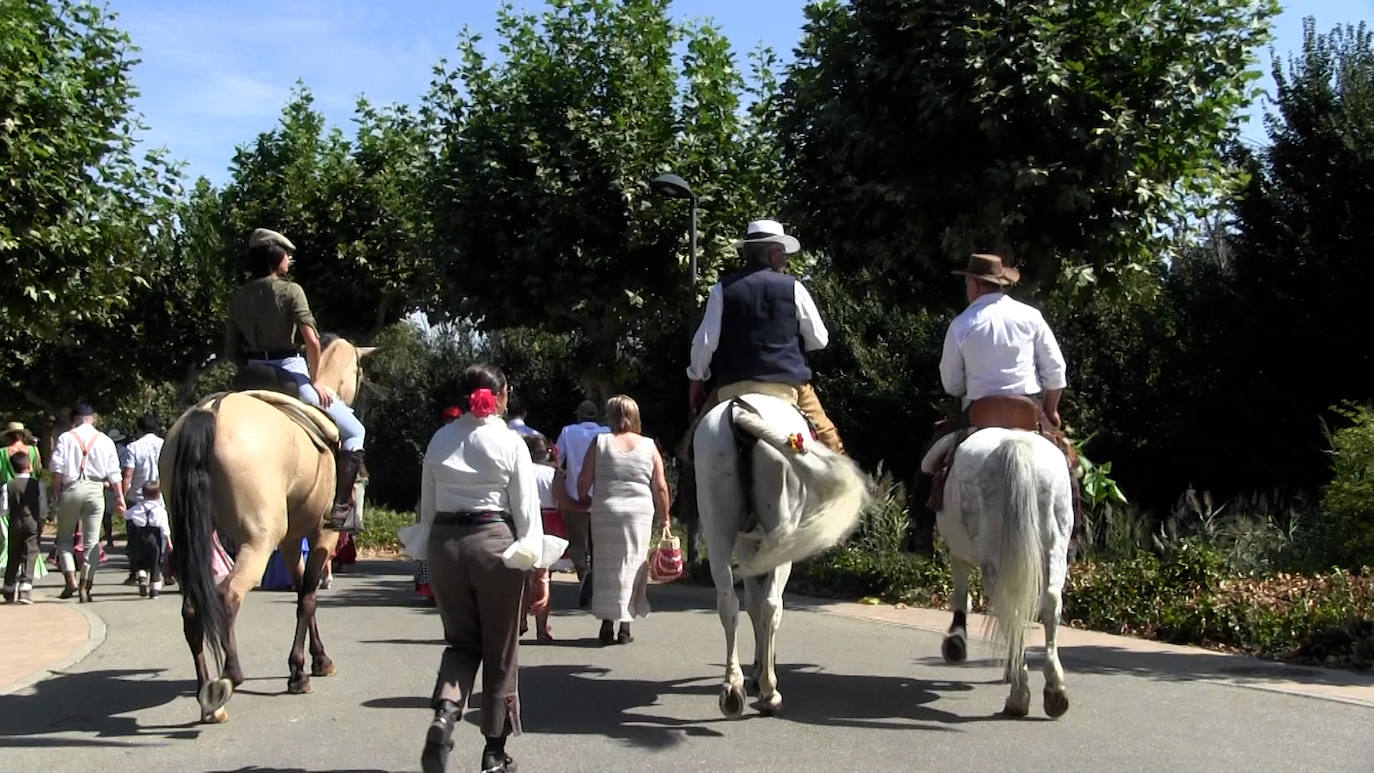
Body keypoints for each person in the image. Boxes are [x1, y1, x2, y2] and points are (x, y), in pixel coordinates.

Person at [418, 364, 553, 773]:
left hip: (445, 544)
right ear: (502, 395)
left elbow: (427, 509)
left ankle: (445, 713)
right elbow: (527, 515)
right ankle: (494, 752)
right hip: (493, 542)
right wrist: (537, 566)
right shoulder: (511, 442)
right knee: (501, 650)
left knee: (461, 643)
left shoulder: (440, 439)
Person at [912, 253, 1069, 549]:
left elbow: (952, 384)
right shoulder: (1031, 317)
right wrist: (1051, 410)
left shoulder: (961, 324)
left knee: (928, 464)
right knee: (1070, 467)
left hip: (978, 414)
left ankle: (921, 533)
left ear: (973, 284)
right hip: (1027, 411)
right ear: (1000, 283)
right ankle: (1073, 538)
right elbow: (1056, 372)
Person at [223, 227, 365, 529]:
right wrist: (315, 380)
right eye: (286, 254)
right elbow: (312, 340)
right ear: (276, 258)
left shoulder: (238, 297)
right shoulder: (290, 290)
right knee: (354, 431)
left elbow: (231, 352)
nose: (289, 259)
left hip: (248, 376)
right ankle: (341, 508)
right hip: (288, 371)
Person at [686, 218, 844, 453]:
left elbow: (705, 342)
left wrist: (697, 375)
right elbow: (820, 339)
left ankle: (687, 488)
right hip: (787, 385)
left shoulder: (722, 289)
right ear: (771, 255)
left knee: (693, 445)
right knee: (832, 446)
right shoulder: (793, 287)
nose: (785, 259)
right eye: (782, 252)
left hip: (731, 387)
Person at [577, 395, 671, 645]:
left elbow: (583, 481)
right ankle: (625, 627)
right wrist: (665, 519)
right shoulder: (649, 445)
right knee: (633, 564)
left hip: (606, 510)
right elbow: (660, 486)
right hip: (638, 513)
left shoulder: (600, 442)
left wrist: (585, 497)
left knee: (606, 566)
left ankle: (606, 625)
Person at [51, 404, 125, 602]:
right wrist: (120, 498)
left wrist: (57, 494)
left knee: (65, 538)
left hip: (72, 488)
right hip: (96, 489)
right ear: (92, 418)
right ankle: (86, 586)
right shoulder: (105, 440)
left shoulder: (66, 438)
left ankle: (70, 579)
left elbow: (57, 469)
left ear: (74, 419)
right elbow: (114, 472)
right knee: (92, 541)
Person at [554, 400, 609, 605]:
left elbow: (557, 460)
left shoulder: (568, 432)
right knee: (599, 545)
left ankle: (584, 573)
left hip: (575, 496)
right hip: (602, 496)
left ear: (579, 415)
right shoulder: (607, 432)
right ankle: (598, 581)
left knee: (578, 542)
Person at [121, 414, 163, 584]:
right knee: (158, 535)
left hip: (137, 496)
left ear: (139, 428)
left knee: (135, 537)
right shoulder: (164, 445)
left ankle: (137, 571)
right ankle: (157, 570)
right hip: (159, 497)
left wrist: (122, 497)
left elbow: (128, 474)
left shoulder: (133, 447)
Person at [2, 451, 47, 605]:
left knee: (13, 553)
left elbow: (4, 509)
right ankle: (25, 588)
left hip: (14, 522)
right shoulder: (37, 484)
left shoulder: (7, 485)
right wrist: (41, 522)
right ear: (29, 466)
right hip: (32, 522)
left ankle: (8, 587)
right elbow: (42, 508)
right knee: (30, 552)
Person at [122, 481, 169, 598]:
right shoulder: (161, 511)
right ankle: (154, 592)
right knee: (155, 564)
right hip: (155, 539)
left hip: (140, 538)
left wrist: (121, 509)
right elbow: (165, 529)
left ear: (143, 494)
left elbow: (126, 515)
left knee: (140, 561)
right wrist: (169, 543)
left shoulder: (137, 508)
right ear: (159, 495)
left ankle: (142, 577)